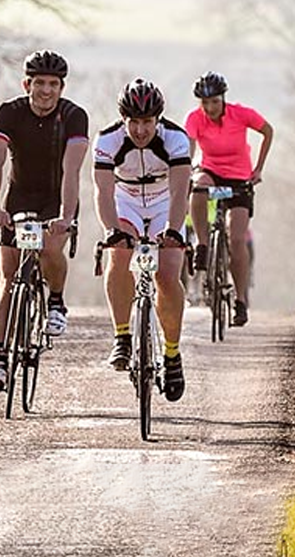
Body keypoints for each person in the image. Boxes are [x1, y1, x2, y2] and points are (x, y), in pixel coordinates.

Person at [0, 49, 89, 392]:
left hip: (57, 198)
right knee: (9, 277)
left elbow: (71, 169)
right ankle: (1, 360)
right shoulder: (9, 112)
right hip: (19, 196)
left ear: (62, 87)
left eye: (53, 84)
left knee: (51, 247)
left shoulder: (74, 116)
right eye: (39, 83)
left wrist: (66, 217)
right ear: (26, 83)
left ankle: (56, 299)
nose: (46, 90)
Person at [93, 78, 191, 402]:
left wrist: (174, 230)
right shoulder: (107, 140)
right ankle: (122, 335)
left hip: (164, 203)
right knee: (120, 256)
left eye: (147, 122)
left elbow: (180, 191)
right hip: (126, 202)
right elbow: (104, 192)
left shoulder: (176, 138)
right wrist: (111, 230)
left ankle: (172, 354)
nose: (140, 130)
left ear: (158, 119)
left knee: (168, 272)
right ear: (123, 119)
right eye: (133, 122)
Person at [185, 71, 273, 326]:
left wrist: (258, 169)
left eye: (215, 101)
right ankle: (203, 245)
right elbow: (189, 146)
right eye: (205, 103)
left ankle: (241, 300)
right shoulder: (195, 119)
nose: (210, 108)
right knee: (198, 188)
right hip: (211, 171)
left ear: (223, 99)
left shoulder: (241, 114)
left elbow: (268, 131)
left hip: (240, 178)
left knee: (236, 239)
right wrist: (188, 168)